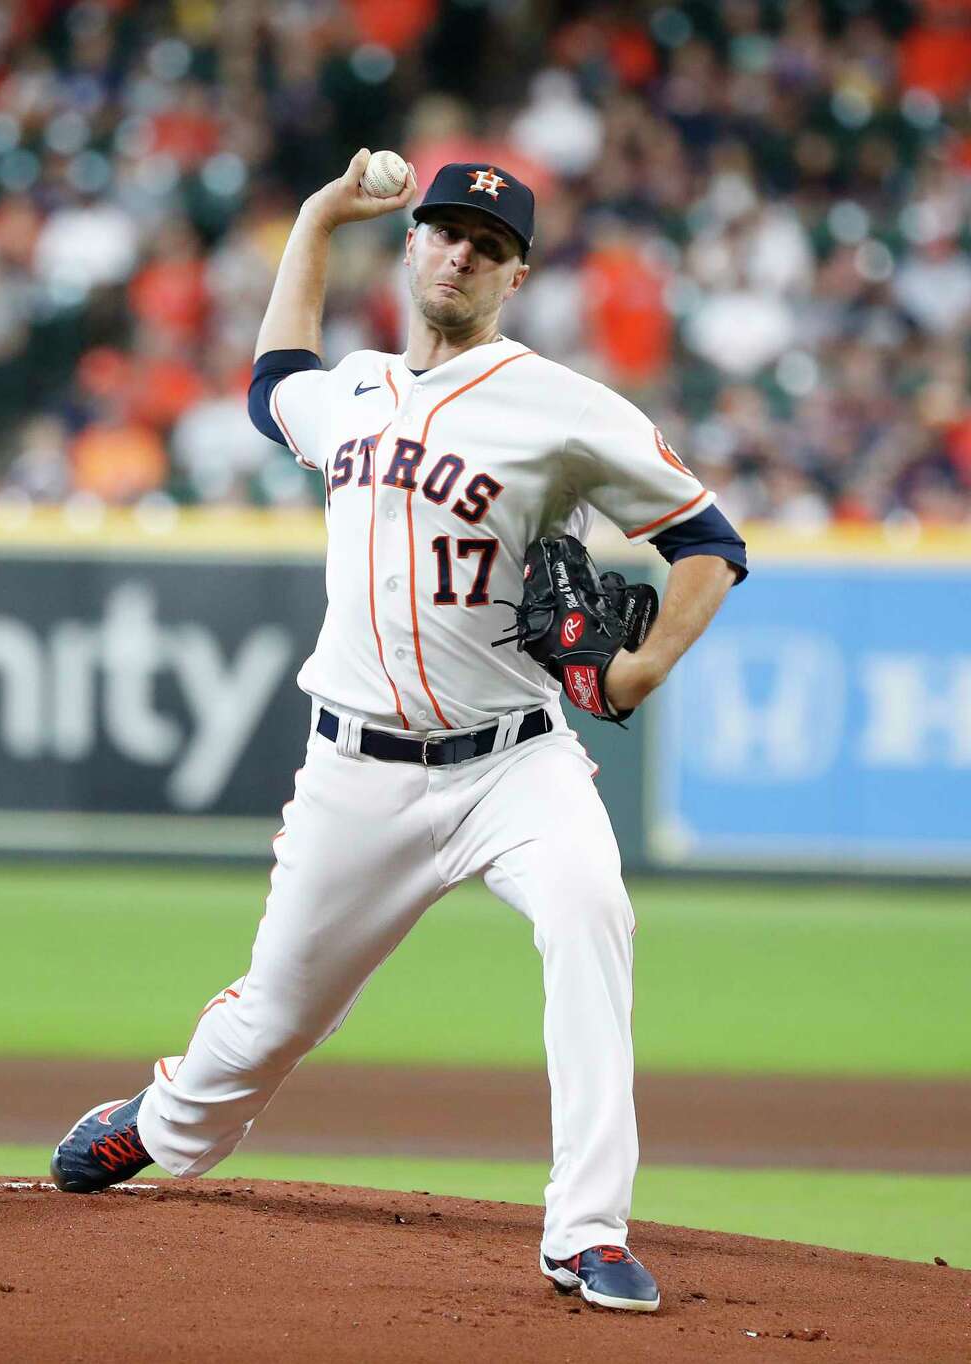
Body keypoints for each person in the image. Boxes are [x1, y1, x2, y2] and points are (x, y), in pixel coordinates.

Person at [50, 151, 748, 1314]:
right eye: (445, 231)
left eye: (489, 241)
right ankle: (158, 1123)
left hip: (514, 761)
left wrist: (636, 669)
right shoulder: (355, 391)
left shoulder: (566, 408)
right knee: (272, 1019)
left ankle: (586, 1230)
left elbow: (709, 540)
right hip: (356, 774)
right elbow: (275, 370)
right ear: (414, 244)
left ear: (516, 273)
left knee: (592, 912)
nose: (461, 251)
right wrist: (320, 212)